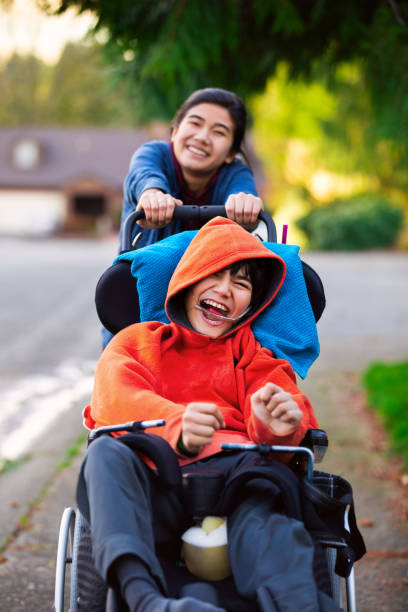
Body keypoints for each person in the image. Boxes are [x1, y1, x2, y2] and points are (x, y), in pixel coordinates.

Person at [78, 218, 340, 612]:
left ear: (253, 303)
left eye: (241, 283)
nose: (224, 290)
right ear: (187, 279)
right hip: (155, 479)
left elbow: (285, 403)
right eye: (213, 274)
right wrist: (176, 424)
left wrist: (281, 425)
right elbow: (115, 398)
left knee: (273, 513)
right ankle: (145, 600)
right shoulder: (137, 343)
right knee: (103, 456)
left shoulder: (256, 356)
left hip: (240, 481)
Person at [121, 87, 264, 249]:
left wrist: (245, 203)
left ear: (231, 153)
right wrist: (152, 195)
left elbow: (243, 190)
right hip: (145, 272)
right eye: (195, 123)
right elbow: (144, 176)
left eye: (218, 132)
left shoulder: (236, 172)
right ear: (175, 131)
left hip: (211, 273)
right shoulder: (152, 154)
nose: (202, 137)